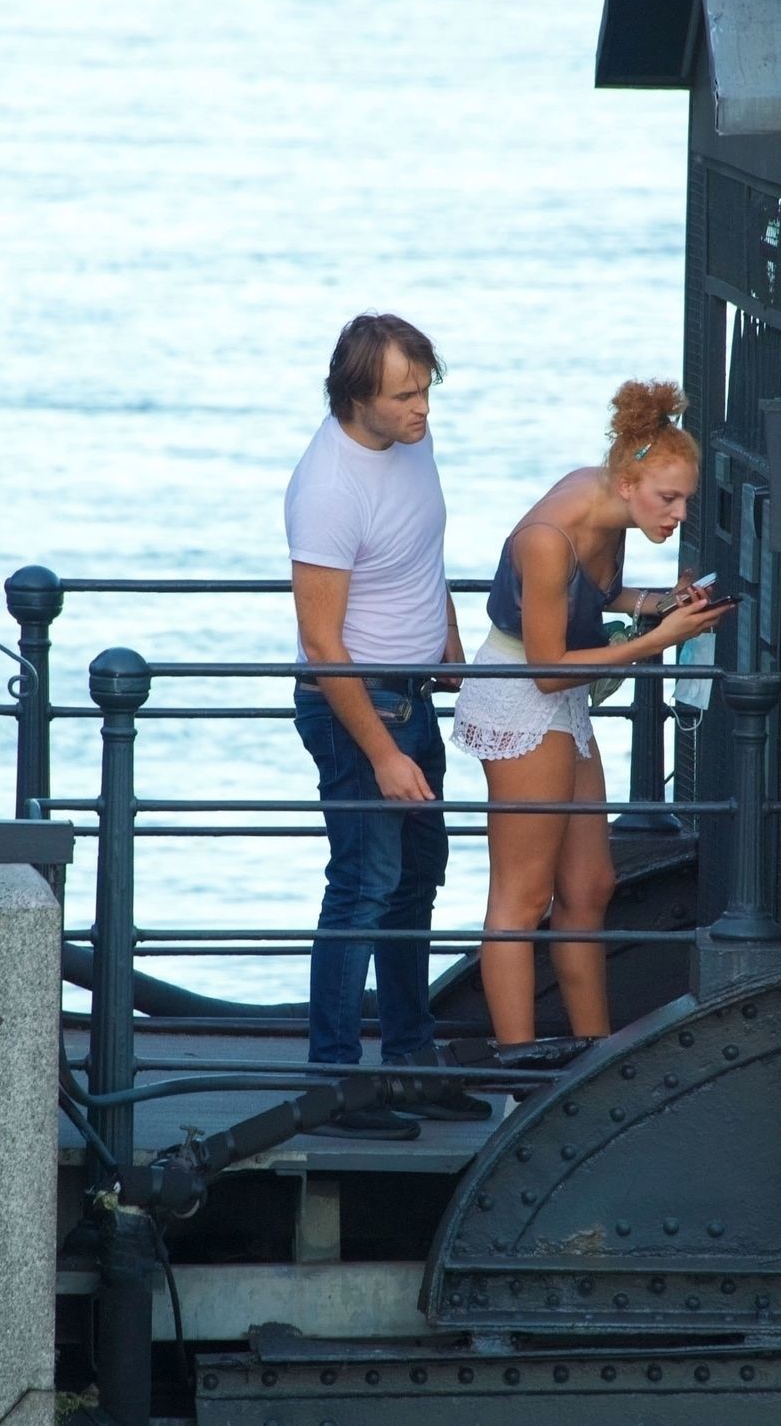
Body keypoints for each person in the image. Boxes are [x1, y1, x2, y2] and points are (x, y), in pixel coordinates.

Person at [452, 380, 733, 1045]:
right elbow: (547, 669)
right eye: (669, 499)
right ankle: (518, 1067)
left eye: (686, 500)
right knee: (522, 898)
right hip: (522, 693)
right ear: (628, 483)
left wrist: (662, 604)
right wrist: (656, 642)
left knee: (590, 884)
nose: (679, 514)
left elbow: (600, 594)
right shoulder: (548, 538)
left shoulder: (609, 503)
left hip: (561, 695)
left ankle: (593, 1053)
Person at [286, 312, 487, 1139]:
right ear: (355, 396)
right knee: (363, 886)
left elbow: (420, 554)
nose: (422, 409)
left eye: (426, 389)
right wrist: (381, 754)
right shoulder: (327, 488)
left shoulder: (411, 441)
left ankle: (409, 1062)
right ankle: (333, 1085)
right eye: (405, 395)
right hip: (358, 708)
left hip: (415, 691)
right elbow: (321, 642)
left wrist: (449, 641)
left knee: (415, 879)